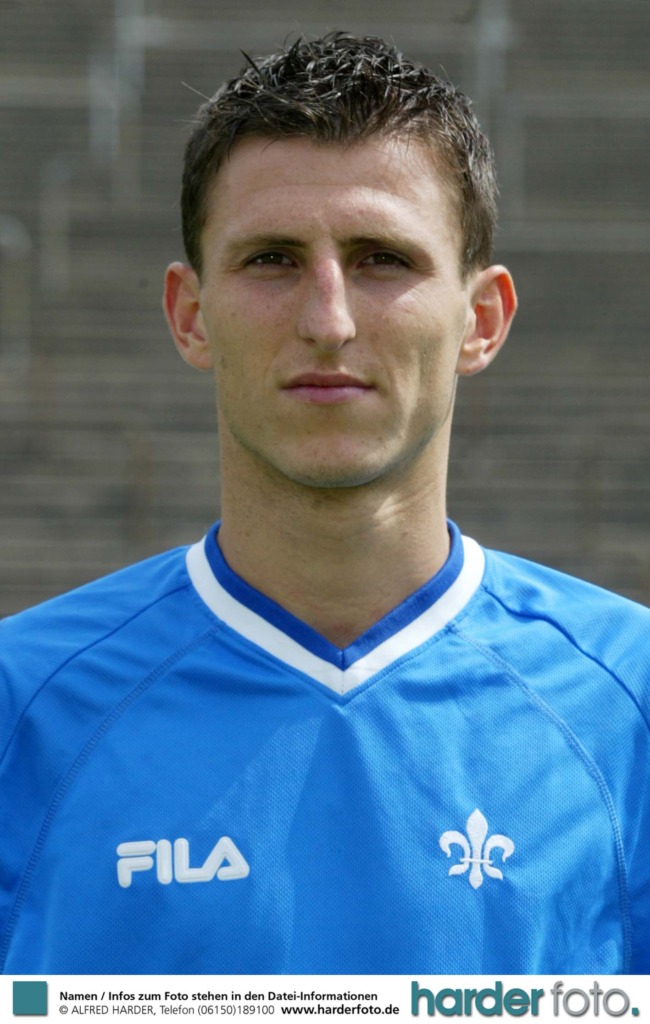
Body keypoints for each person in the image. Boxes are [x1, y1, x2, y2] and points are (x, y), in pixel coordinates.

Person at [0, 33, 648, 976]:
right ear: (190, 315)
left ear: (481, 320)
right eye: (272, 259)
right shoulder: (21, 706)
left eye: (383, 258)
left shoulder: (629, 706)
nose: (329, 320)